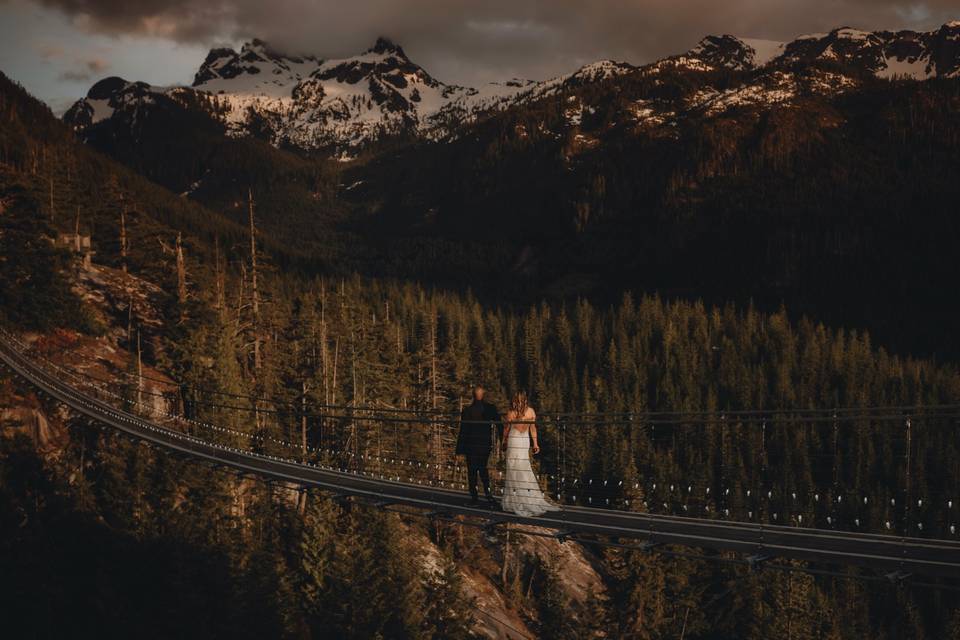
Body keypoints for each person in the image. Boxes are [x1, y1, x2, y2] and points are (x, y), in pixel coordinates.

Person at [501, 391, 558, 517]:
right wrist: (536, 443)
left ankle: (515, 500)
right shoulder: (531, 412)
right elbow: (533, 428)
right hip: (524, 440)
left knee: (513, 469)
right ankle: (527, 497)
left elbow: (506, 429)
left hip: (514, 440)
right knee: (524, 467)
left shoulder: (511, 413)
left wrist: (504, 442)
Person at [456, 386, 500, 505]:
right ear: (483, 395)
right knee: (483, 468)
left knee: (472, 471)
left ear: (473, 395)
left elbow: (463, 430)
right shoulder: (490, 409)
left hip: (471, 445)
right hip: (485, 444)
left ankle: (474, 497)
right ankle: (488, 494)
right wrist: (502, 440)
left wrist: (459, 449)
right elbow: (499, 424)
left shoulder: (467, 411)